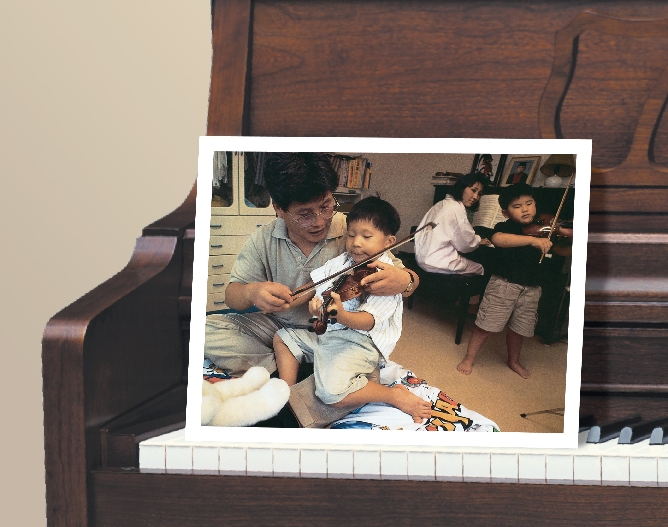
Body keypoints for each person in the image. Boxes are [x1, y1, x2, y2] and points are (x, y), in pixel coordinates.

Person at [204, 152, 418, 381]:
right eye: (304, 215)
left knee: (354, 349)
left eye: (326, 206)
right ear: (278, 209)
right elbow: (232, 296)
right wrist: (251, 292)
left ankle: (288, 366)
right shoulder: (263, 238)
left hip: (338, 329)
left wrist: (405, 281)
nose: (318, 221)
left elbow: (408, 279)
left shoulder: (355, 230)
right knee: (202, 330)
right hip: (277, 326)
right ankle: (301, 366)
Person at [272, 197, 432, 423]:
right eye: (351, 235)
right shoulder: (344, 262)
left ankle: (392, 395)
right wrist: (314, 304)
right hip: (329, 333)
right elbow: (320, 288)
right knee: (282, 337)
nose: (356, 243)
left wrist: (342, 315)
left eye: (366, 237)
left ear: (389, 241)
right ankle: (285, 392)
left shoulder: (387, 276)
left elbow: (369, 321)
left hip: (361, 342)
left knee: (330, 394)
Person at [456, 183, 552, 379]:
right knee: (486, 325)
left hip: (531, 289)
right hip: (504, 286)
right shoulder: (506, 228)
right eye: (517, 206)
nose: (525, 209)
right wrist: (533, 241)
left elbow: (562, 249)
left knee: (519, 329)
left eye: (529, 203)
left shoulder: (545, 229)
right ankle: (469, 358)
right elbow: (498, 239)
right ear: (506, 212)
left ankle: (513, 360)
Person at [414, 171, 491, 276]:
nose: (475, 197)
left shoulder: (441, 203)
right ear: (462, 187)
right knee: (480, 268)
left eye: (479, 194)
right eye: (473, 190)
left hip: (422, 259)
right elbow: (466, 245)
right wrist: (478, 240)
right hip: (437, 262)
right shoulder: (456, 208)